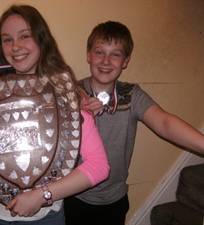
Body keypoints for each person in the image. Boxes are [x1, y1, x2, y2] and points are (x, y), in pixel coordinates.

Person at [0, 4, 110, 225]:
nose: (15, 46)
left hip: (45, 217)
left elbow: (98, 166)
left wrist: (42, 195)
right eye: (7, 39)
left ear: (41, 40)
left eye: (25, 36)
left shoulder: (67, 95)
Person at [63, 21, 204, 225]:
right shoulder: (71, 93)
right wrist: (76, 114)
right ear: (88, 54)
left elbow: (164, 122)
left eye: (115, 54)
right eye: (99, 52)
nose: (106, 61)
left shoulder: (132, 95)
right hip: (73, 196)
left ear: (126, 60)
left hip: (114, 199)